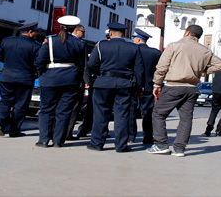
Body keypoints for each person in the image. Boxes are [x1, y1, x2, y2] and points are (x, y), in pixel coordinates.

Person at [147, 25, 221, 157]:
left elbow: (162, 67)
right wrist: (204, 70)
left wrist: (157, 84)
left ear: (187, 33)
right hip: (192, 88)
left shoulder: (174, 46)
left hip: (174, 85)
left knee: (158, 114)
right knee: (186, 118)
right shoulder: (205, 51)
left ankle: (161, 144)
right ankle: (179, 148)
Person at [86, 22, 144, 153]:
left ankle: (97, 143)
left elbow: (91, 64)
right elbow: (139, 71)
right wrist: (139, 88)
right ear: (123, 34)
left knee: (101, 113)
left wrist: (99, 74)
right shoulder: (133, 48)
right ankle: (121, 145)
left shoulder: (101, 45)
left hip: (103, 82)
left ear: (110, 33)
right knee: (122, 114)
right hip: (124, 84)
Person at [35, 15, 85, 148]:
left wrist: (42, 73)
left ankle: (44, 139)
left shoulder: (50, 41)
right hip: (70, 80)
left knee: (46, 110)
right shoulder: (80, 44)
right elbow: (81, 65)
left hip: (50, 78)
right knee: (64, 111)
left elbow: (40, 61)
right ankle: (58, 140)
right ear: (74, 28)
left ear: (61, 27)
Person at [0, 22, 41, 137]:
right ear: (30, 32)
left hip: (7, 77)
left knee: (5, 101)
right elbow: (38, 64)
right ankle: (14, 130)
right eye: (35, 32)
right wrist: (34, 74)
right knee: (21, 105)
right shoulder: (36, 46)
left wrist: (9, 63)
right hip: (25, 78)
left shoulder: (7, 41)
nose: (36, 34)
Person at [128, 29, 161, 144]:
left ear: (138, 39)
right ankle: (147, 137)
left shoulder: (131, 50)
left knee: (131, 112)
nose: (132, 40)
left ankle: (131, 136)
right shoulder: (156, 53)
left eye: (134, 38)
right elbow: (159, 70)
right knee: (147, 113)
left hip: (133, 86)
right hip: (149, 86)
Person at [65, 24, 88, 140]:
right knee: (74, 108)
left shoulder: (57, 40)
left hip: (58, 79)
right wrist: (87, 81)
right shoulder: (80, 44)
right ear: (76, 31)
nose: (84, 35)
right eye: (83, 32)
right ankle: (68, 133)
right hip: (75, 80)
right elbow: (84, 65)